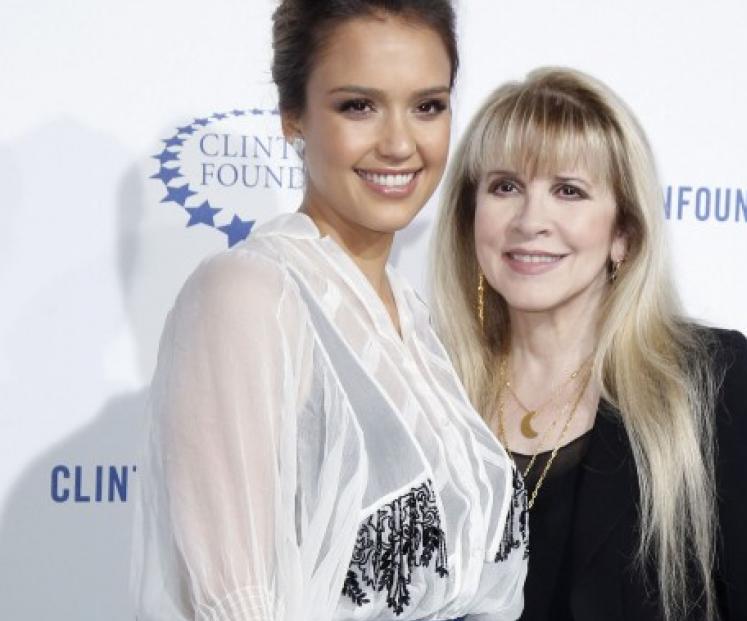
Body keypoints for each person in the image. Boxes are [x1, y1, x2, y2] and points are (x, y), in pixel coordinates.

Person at [130, 2, 528, 620]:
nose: (399, 144)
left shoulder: (417, 323)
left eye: (427, 106)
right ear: (294, 117)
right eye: (358, 106)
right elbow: (234, 603)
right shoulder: (248, 294)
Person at [431, 67, 747, 621]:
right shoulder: (427, 392)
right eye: (505, 186)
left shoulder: (706, 382)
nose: (530, 220)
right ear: (470, 217)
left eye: (568, 191)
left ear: (623, 235)